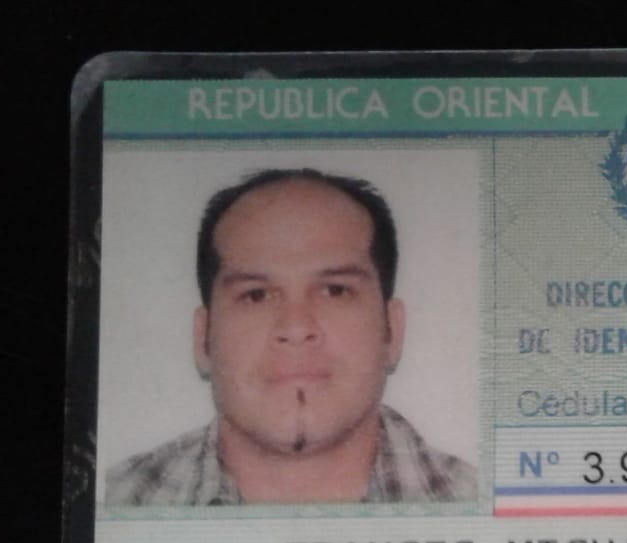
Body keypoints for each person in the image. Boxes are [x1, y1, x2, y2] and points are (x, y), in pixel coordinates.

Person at [105, 169, 476, 505]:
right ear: (203, 338)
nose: (296, 327)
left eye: (335, 290)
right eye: (256, 295)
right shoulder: (114, 503)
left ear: (392, 331)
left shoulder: (478, 500)